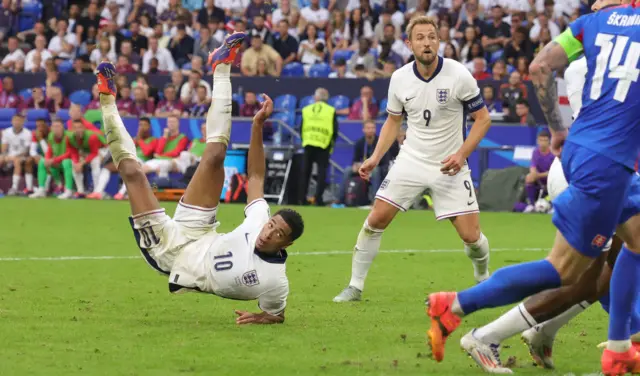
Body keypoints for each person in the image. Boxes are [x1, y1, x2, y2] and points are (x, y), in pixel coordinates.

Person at [424, 2, 640, 374]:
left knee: (636, 242)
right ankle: (455, 306)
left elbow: (539, 66)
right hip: (605, 164)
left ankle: (619, 346)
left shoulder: (589, 24)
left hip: (583, 150)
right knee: (565, 272)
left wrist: (556, 128)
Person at [94, 32, 304, 324]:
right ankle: (222, 65)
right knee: (216, 154)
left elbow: (276, 314)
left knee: (133, 173)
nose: (268, 232)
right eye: (272, 225)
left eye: (278, 234)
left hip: (170, 254)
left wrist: (259, 318)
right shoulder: (259, 222)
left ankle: (106, 99)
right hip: (200, 231)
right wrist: (257, 125)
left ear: (286, 245)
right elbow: (255, 175)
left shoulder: (274, 280)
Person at [333, 16, 493, 302]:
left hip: (450, 165)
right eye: (420, 37)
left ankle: (482, 277)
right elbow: (393, 122)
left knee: (472, 238)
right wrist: (374, 157)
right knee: (375, 219)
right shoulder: (400, 78)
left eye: (432, 36)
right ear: (409, 44)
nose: (427, 42)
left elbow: (483, 119)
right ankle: (355, 286)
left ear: (439, 41)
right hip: (412, 160)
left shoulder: (459, 75)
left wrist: (461, 154)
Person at [89, 117, 158, 200]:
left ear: (149, 127)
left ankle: (121, 193)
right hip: (128, 160)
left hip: (141, 163)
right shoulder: (135, 139)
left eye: (144, 125)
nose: (142, 127)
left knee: (130, 168)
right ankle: (98, 192)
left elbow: (147, 152)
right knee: (107, 167)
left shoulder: (154, 140)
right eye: (140, 125)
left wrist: (139, 139)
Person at [300, 87, 338, 206]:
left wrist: (304, 140)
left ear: (315, 97)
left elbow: (301, 127)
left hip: (308, 143)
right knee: (322, 173)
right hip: (324, 144)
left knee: (305, 172)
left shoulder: (306, 109)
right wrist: (331, 144)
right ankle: (318, 199)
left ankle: (302, 198)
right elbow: (335, 130)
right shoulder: (331, 110)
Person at [29, 119, 74, 199]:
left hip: (71, 161)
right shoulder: (51, 136)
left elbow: (69, 153)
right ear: (52, 128)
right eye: (54, 126)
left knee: (66, 162)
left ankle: (69, 190)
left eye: (58, 126)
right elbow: (49, 150)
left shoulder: (69, 136)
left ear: (63, 127)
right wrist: (47, 159)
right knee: (42, 161)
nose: (56, 128)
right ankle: (41, 189)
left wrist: (53, 160)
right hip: (57, 161)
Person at [65, 119, 106, 199]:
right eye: (75, 128)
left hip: (103, 150)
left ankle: (97, 191)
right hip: (86, 151)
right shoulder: (69, 137)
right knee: (74, 164)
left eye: (80, 127)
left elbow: (94, 153)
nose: (78, 130)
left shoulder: (92, 137)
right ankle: (80, 191)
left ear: (84, 128)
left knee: (95, 162)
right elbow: (73, 152)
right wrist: (77, 163)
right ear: (72, 129)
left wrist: (81, 163)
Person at [0, 115, 35, 195]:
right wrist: (5, 156)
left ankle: (14, 188)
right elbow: (4, 148)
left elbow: (26, 151)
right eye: (15, 120)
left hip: (22, 156)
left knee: (17, 161)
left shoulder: (27, 133)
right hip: (8, 156)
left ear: (22, 122)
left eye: (19, 120)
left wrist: (15, 157)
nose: (17, 122)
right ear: (12, 121)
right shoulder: (6, 132)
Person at [523, 129, 554, 212]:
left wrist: (538, 175)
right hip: (539, 180)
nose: (543, 142)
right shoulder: (535, 152)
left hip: (551, 180)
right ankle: (531, 205)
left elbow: (553, 172)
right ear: (537, 141)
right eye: (541, 140)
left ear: (549, 141)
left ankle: (553, 205)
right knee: (529, 177)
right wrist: (533, 174)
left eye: (545, 140)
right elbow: (532, 167)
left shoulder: (553, 153)